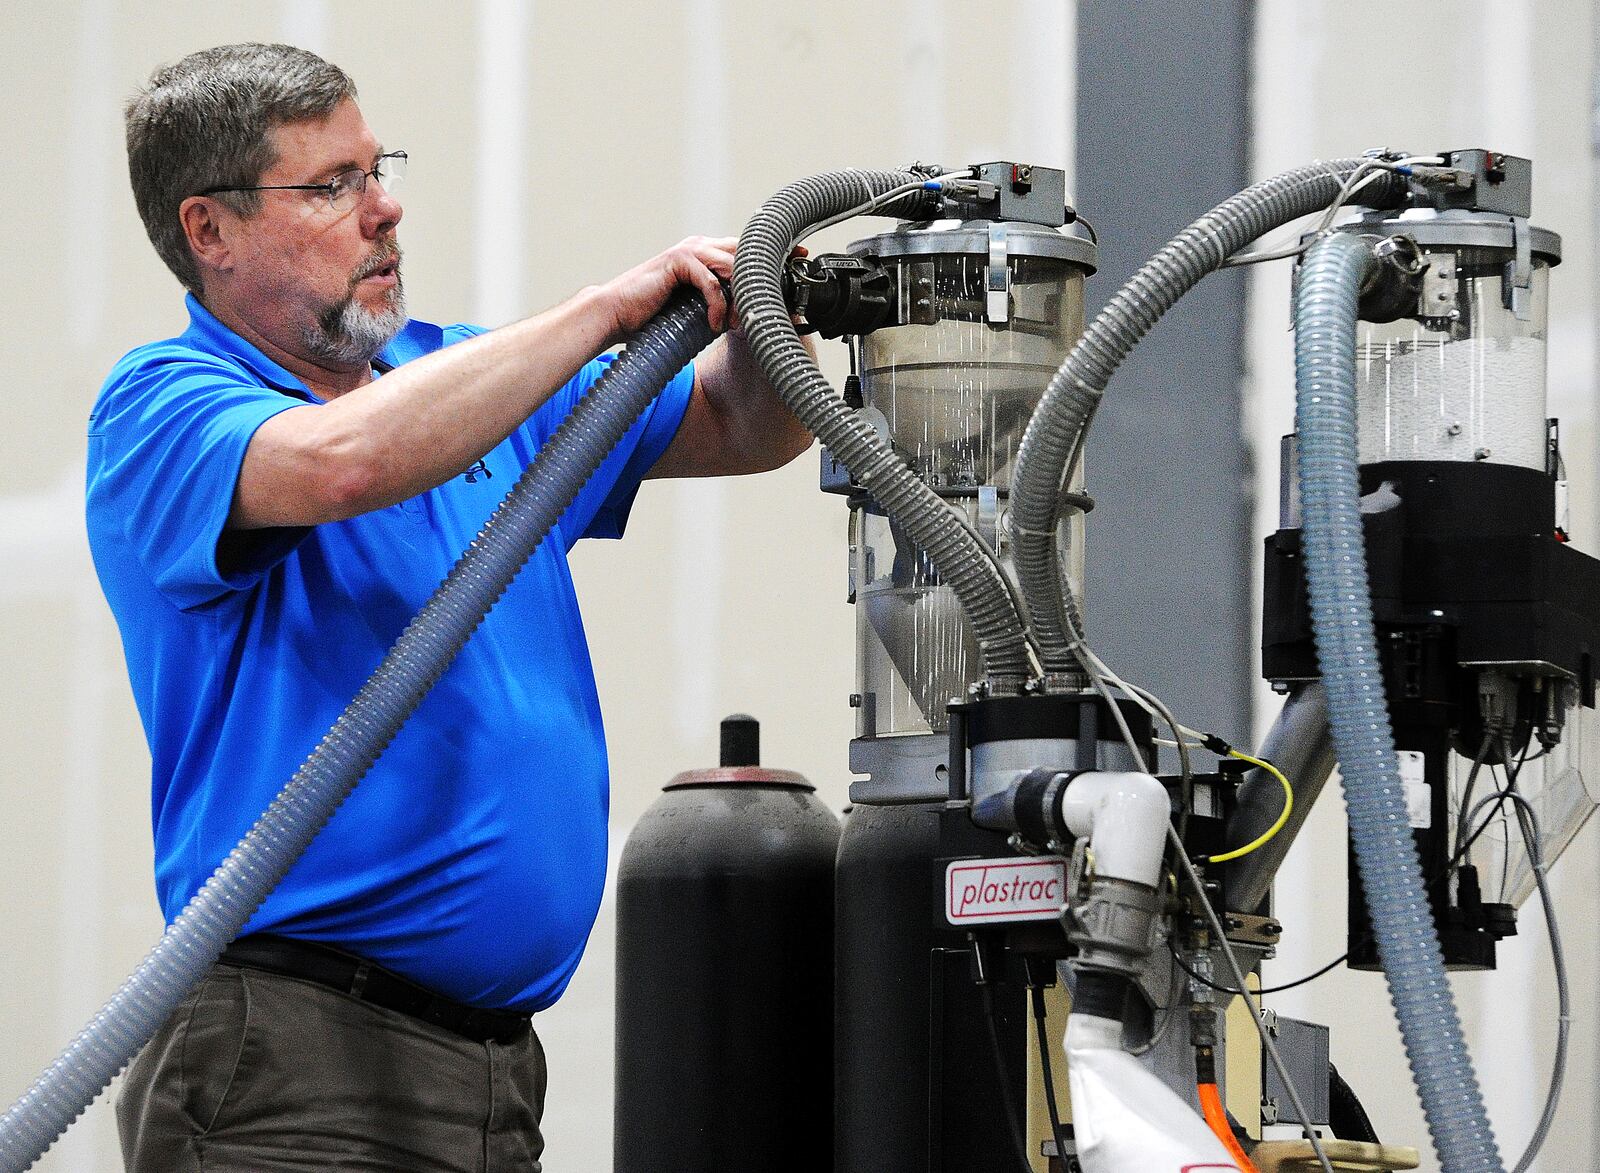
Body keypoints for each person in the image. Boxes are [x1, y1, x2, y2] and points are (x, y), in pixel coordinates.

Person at [88, 42, 810, 1172]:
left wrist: (779, 306)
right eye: (331, 185)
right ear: (209, 231)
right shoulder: (163, 408)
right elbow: (342, 466)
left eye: (378, 169)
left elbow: (747, 427)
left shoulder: (460, 378)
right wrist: (605, 309)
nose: (385, 209)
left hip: (490, 1069)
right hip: (294, 1061)